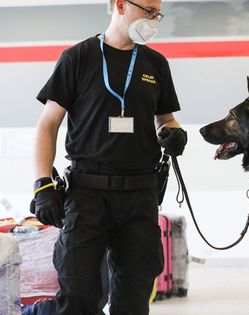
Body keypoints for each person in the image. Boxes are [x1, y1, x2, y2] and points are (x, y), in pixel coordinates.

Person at [31, 0, 187, 314]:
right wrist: (42, 183)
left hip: (140, 197)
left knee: (133, 296)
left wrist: (174, 133)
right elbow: (48, 124)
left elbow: (165, 120)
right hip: (87, 195)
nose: (153, 20)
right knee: (80, 295)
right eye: (147, 11)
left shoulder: (155, 64)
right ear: (120, 5)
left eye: (157, 14)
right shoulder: (78, 57)